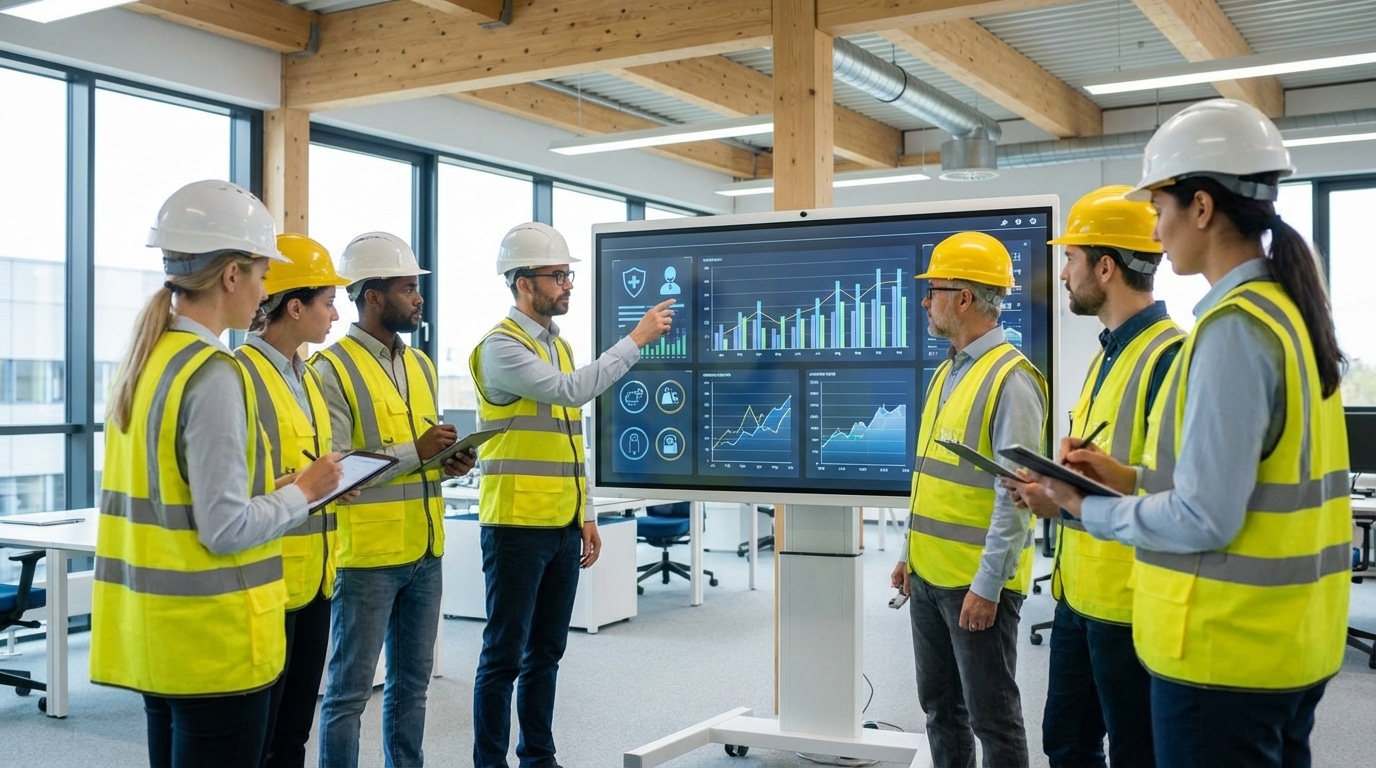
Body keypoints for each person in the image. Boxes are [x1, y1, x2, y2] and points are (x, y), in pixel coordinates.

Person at [1025, 99, 1352, 768]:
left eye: (1161, 207)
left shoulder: (1232, 327)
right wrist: (1126, 479)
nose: (1157, 226)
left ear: (1201, 207)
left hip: (1224, 653)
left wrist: (1088, 507)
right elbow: (1242, 482)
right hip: (1288, 645)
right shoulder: (1283, 313)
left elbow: (1205, 515)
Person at [90, 180, 345, 767]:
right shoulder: (214, 372)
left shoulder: (148, 359)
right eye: (259, 274)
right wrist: (302, 494)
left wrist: (274, 491)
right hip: (215, 643)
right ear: (231, 275)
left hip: (160, 637)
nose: (263, 291)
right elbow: (224, 528)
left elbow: (179, 498)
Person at [469, 222, 673, 768]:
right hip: (515, 525)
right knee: (503, 656)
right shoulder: (501, 348)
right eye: (556, 276)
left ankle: (538, 757)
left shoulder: (557, 346)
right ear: (521, 283)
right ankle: (489, 763)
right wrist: (635, 340)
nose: (567, 285)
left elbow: (569, 436)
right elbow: (571, 391)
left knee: (547, 655)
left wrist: (584, 514)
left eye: (568, 275)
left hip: (560, 524)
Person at [1010, 187, 1183, 768]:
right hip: (1076, 596)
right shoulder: (1105, 353)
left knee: (1137, 755)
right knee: (1066, 745)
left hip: (1130, 606)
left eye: (1071, 259)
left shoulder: (1169, 357)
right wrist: (1053, 497)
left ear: (1105, 267)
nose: (1063, 273)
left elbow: (1177, 492)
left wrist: (1069, 500)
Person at [314, 232, 476, 768]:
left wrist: (448, 461)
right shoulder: (330, 369)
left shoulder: (422, 365)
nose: (418, 297)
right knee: (347, 693)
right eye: (408, 288)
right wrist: (415, 450)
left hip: (425, 550)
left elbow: (422, 455)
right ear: (373, 296)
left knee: (413, 686)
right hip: (368, 557)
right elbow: (336, 466)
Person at [889, 231, 1047, 768]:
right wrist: (910, 552)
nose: (924, 301)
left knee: (993, 720)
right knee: (940, 710)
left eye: (933, 290)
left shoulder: (1013, 380)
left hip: (977, 587)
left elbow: (1015, 500)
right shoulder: (947, 371)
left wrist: (987, 586)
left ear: (963, 299)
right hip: (931, 578)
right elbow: (930, 479)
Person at [235, 233, 352, 768]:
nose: (335, 313)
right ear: (295, 305)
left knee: (294, 732)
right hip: (267, 580)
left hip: (317, 576)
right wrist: (295, 485)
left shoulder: (307, 374)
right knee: (259, 737)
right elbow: (232, 488)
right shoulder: (238, 375)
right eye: (328, 302)